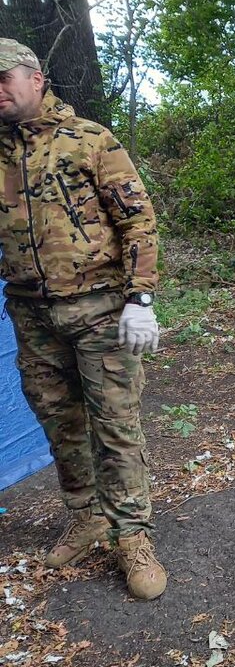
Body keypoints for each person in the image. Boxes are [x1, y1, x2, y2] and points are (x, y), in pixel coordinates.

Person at [0, 39, 166, 600]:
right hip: (30, 312)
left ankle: (133, 537)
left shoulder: (89, 140)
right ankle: (86, 515)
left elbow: (138, 223)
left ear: (36, 77)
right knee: (59, 421)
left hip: (100, 309)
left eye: (5, 78)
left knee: (115, 425)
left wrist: (141, 299)